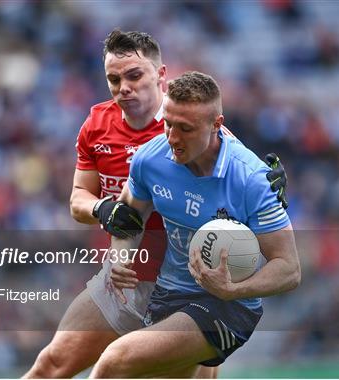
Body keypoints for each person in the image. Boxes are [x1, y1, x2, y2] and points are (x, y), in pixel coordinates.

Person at [24, 30, 288, 378]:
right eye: (114, 79)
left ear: (161, 76)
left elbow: (242, 173)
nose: (124, 87)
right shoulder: (97, 125)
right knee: (50, 366)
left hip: (189, 288)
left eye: (134, 75)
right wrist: (102, 209)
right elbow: (78, 200)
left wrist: (276, 184)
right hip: (127, 277)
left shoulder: (189, 127)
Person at [90, 71, 301, 378]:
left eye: (185, 129)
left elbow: (290, 268)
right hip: (168, 295)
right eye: (168, 123)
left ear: (217, 125)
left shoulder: (252, 179)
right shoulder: (149, 159)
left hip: (227, 306)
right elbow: (127, 218)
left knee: (114, 360)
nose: (172, 137)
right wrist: (121, 257)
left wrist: (234, 289)